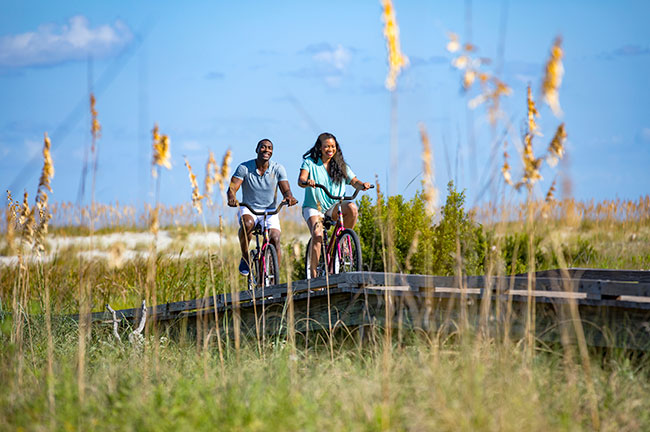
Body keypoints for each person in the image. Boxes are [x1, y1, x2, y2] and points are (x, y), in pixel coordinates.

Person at [298, 132, 371, 278]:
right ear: (320, 147)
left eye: (332, 146)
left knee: (352, 208)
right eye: (326, 146)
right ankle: (313, 277)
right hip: (314, 206)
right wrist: (307, 182)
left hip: (334, 205)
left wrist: (362, 185)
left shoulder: (341, 165)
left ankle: (344, 240)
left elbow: (354, 181)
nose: (330, 149)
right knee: (318, 235)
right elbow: (301, 180)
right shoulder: (310, 163)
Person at [227, 138, 298, 276]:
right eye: (263, 147)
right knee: (247, 224)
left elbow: (286, 189)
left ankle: (274, 273)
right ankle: (245, 257)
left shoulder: (278, 168)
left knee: (275, 238)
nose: (266, 150)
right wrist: (231, 197)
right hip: (249, 207)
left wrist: (289, 197)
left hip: (270, 210)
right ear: (257, 149)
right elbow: (232, 188)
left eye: (270, 148)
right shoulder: (244, 168)